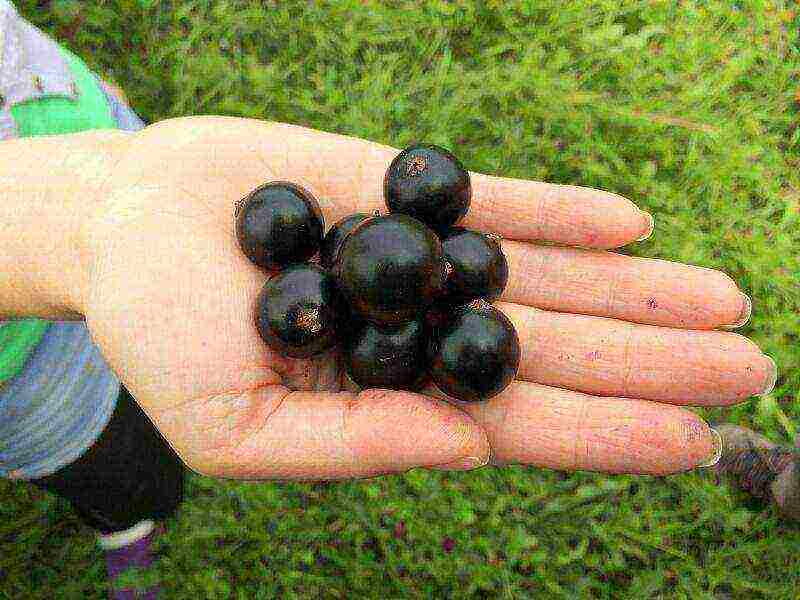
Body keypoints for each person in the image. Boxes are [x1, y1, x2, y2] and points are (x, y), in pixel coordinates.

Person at [0, 2, 786, 598]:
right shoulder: (350, 287)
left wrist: (91, 196)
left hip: (59, 142)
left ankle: (128, 507)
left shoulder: (411, 279)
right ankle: (125, 515)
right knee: (88, 447)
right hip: (21, 375)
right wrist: (84, 224)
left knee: (116, 453)